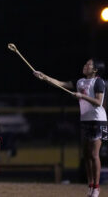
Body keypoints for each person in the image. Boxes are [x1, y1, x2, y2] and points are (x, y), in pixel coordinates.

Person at [34, 59, 106, 197]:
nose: (85, 66)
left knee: (94, 154)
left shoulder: (99, 82)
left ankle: (96, 188)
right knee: (86, 155)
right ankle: (90, 185)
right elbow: (61, 84)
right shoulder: (80, 82)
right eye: (85, 63)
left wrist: (82, 96)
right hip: (85, 120)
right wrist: (44, 77)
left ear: (95, 69)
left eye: (88, 64)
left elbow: (98, 102)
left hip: (98, 121)